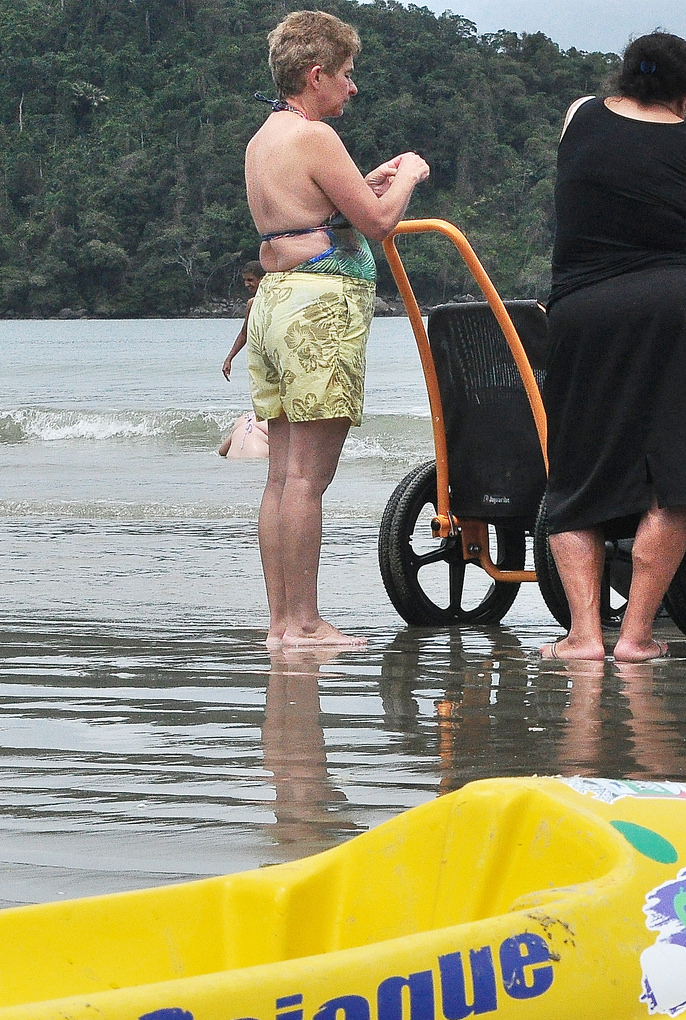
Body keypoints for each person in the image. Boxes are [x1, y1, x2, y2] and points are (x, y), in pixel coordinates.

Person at [542, 31, 686, 662]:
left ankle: (583, 636)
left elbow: (604, 194)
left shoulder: (579, 116)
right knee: (672, 477)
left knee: (576, 469)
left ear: (623, 78)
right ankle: (635, 639)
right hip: (671, 310)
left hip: (581, 310)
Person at [244, 9, 429, 649]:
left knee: (280, 475)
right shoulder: (317, 137)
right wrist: (407, 175)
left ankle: (280, 622)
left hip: (273, 302)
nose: (353, 88)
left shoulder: (266, 138)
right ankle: (305, 622)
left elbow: (317, 208)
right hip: (317, 306)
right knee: (308, 479)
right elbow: (377, 223)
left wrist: (372, 181)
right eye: (346, 75)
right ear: (315, 74)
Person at [220, 260, 265, 380]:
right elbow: (244, 333)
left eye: (250, 280)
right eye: (245, 280)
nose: (246, 284)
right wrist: (229, 359)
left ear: (261, 279)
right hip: (262, 361)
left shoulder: (277, 299)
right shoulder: (252, 303)